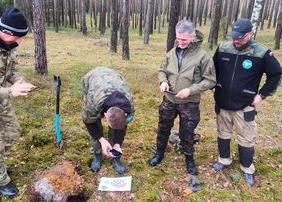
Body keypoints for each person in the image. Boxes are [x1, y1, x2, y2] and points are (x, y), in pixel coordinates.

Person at [213, 18, 282, 186]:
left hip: (245, 106)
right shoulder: (223, 48)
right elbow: (212, 69)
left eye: (241, 37)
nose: (237, 41)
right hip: (222, 103)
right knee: (223, 133)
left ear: (251, 34)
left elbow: (276, 74)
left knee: (246, 138)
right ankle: (224, 159)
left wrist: (261, 95)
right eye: (234, 37)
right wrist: (213, 85)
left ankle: (247, 168)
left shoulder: (261, 53)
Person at [149, 20, 216, 175]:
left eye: (184, 39)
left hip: (189, 103)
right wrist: (163, 81)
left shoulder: (202, 56)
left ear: (193, 36)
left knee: (187, 132)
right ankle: (159, 153)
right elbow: (162, 70)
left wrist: (191, 90)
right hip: (169, 99)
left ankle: (189, 159)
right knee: (163, 127)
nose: (181, 42)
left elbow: (210, 80)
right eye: (178, 39)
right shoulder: (172, 52)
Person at [0, 8, 36, 197]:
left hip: (2, 100)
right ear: (6, 32)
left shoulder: (9, 45)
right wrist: (9, 91)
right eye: (18, 38)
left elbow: (13, 68)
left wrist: (19, 82)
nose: (20, 43)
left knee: (11, 134)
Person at [81, 66, 134, 174]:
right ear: (104, 114)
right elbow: (88, 122)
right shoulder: (93, 101)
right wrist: (101, 139)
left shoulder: (129, 108)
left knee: (117, 127)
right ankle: (97, 155)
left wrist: (117, 144)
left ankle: (116, 157)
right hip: (92, 79)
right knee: (94, 121)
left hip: (115, 79)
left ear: (125, 113)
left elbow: (122, 126)